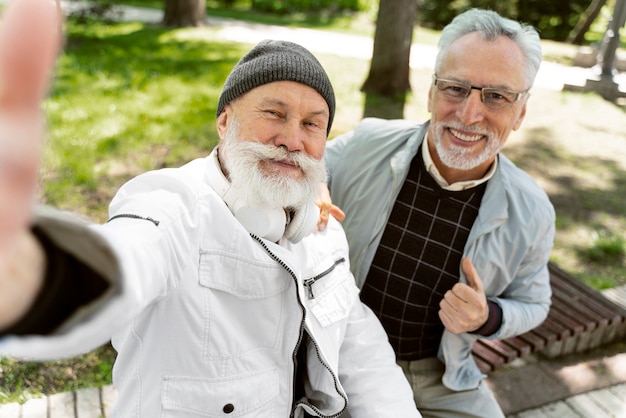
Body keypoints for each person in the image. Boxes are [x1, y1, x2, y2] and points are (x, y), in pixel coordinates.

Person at [0, 1, 421, 417]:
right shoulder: (172, 205)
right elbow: (127, 259)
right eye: (274, 113)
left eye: (312, 124)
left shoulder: (322, 227)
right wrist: (35, 274)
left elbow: (361, 351)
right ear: (224, 122)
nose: (293, 140)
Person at [324, 8, 555, 418]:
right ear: (431, 92)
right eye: (455, 88)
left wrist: (487, 316)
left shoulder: (532, 211)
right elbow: (303, 170)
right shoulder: (365, 146)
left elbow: (534, 304)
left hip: (437, 376)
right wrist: (310, 188)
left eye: (497, 96)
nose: (469, 115)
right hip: (341, 352)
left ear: (521, 112)